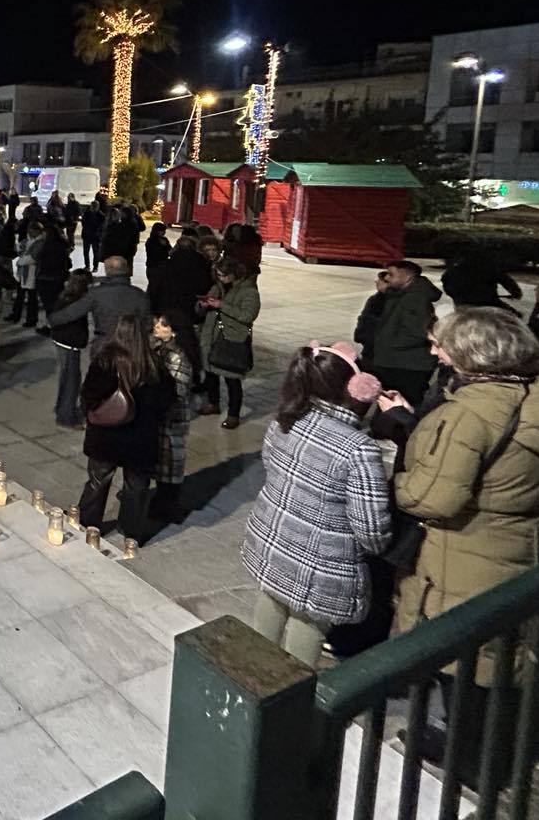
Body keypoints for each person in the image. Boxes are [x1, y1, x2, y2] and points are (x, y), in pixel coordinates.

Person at [388, 307, 539, 772]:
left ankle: (466, 758)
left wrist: (392, 475)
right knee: (500, 653)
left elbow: (434, 499)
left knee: (464, 663)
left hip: (465, 555)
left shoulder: (470, 415)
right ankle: (492, 747)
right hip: (524, 539)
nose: (435, 350)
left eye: (444, 344)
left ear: (473, 357)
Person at [238, 342, 393, 667]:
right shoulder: (357, 449)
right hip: (322, 565)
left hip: (273, 541)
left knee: (269, 607)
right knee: (303, 639)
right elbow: (372, 532)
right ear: (354, 389)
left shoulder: (285, 419)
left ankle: (251, 684)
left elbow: (271, 469)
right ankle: (284, 706)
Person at [75, 314, 171, 541]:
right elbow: (167, 400)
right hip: (141, 439)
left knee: (98, 481)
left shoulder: (105, 361)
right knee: (136, 486)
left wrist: (89, 414)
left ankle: (87, 523)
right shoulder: (153, 364)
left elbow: (89, 394)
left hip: (106, 436)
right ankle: (131, 531)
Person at [365, 260, 443, 407]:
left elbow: (419, 332)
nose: (386, 278)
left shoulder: (415, 298)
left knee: (404, 403)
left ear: (406, 277)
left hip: (407, 365)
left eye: (391, 274)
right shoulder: (404, 293)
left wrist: (389, 344)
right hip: (399, 362)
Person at [199, 256, 262, 429]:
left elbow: (248, 315)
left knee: (232, 379)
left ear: (235, 274)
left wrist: (222, 305)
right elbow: (202, 310)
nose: (221, 278)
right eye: (218, 275)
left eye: (224, 275)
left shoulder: (249, 292)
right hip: (211, 338)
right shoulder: (217, 287)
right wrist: (203, 305)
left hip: (232, 340)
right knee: (210, 374)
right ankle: (213, 404)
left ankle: (233, 415)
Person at [44, 255, 150, 355]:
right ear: (126, 270)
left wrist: (52, 319)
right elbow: (148, 321)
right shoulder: (139, 294)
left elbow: (73, 312)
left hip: (104, 344)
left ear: (108, 271)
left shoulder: (97, 293)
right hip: (132, 344)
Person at [151, 308, 201, 521]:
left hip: (173, 417)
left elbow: (178, 392)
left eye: (162, 324)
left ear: (174, 331)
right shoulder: (161, 348)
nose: (156, 327)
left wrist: (164, 411)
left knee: (171, 463)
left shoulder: (177, 356)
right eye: (157, 323)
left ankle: (168, 505)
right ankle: (162, 502)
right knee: (164, 462)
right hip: (163, 415)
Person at [50, 270, 93, 428]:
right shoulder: (78, 301)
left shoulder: (65, 296)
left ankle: (61, 407)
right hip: (70, 342)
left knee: (66, 376)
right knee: (72, 380)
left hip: (62, 340)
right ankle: (66, 416)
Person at [441, 250, 523, 311]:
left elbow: (448, 289)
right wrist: (516, 293)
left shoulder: (451, 272)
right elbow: (508, 282)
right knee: (515, 317)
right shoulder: (490, 268)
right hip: (489, 303)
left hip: (462, 304)